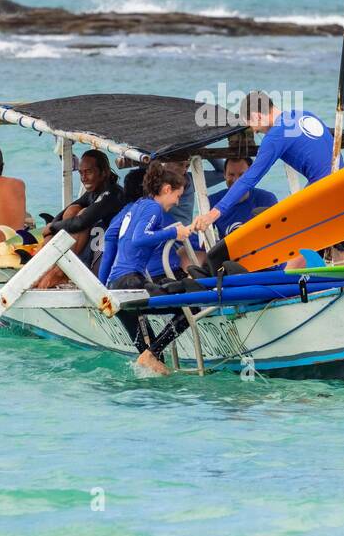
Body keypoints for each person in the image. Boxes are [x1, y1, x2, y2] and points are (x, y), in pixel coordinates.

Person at [190, 91, 339, 234]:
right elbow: (331, 155)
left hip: (325, 191)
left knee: (288, 232)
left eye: (253, 126)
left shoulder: (275, 136)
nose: (255, 132)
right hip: (341, 181)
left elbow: (249, 178)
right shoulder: (304, 114)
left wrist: (212, 215)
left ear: (257, 116)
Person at [106, 162, 194, 375]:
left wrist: (102, 286)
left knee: (154, 365)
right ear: (167, 189)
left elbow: (111, 236)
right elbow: (139, 238)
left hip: (115, 286)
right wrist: (173, 233)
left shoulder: (137, 205)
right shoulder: (154, 207)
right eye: (177, 196)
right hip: (130, 283)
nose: (177, 202)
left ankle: (151, 359)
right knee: (192, 306)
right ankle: (151, 354)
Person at [34, 148, 125, 288]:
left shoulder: (112, 194)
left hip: (105, 253)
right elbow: (66, 211)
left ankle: (60, 273)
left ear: (104, 172)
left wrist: (52, 227)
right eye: (81, 173)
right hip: (88, 250)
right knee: (73, 210)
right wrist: (50, 230)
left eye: (88, 172)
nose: (83, 178)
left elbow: (81, 223)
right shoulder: (94, 192)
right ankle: (45, 266)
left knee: (82, 214)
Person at [205, 156, 276, 235]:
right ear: (225, 175)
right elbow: (200, 236)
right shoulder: (212, 201)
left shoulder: (266, 200)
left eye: (241, 175)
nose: (236, 180)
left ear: (251, 175)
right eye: (231, 174)